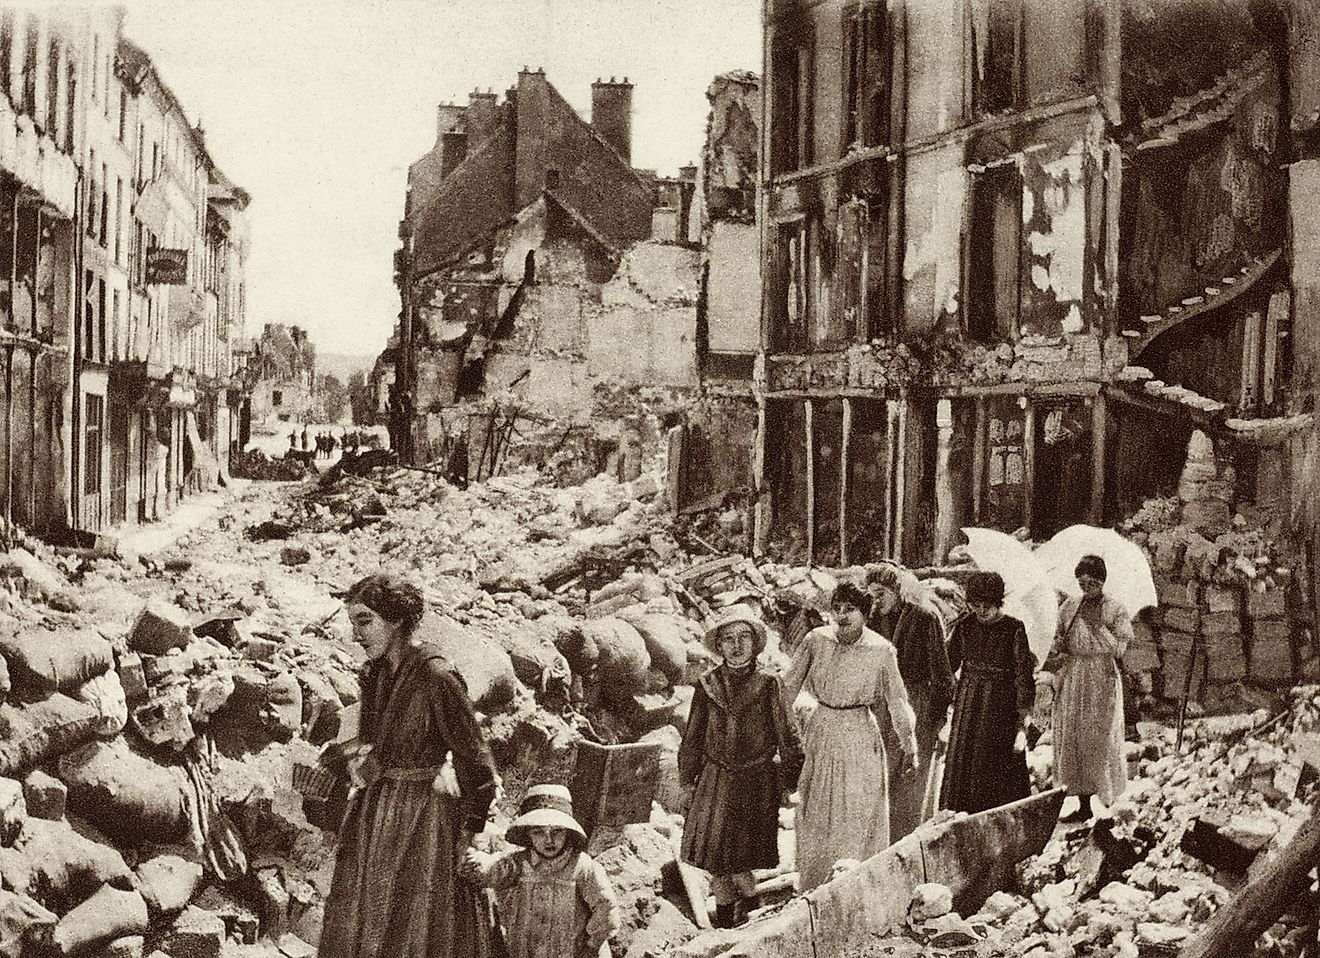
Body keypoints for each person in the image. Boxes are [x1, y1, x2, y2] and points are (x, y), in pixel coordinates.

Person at [319, 573, 499, 958]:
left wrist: (470, 832)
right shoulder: (376, 673)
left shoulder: (437, 676)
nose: (356, 634)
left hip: (425, 815)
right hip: (377, 808)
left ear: (397, 619)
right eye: (353, 623)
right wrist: (338, 755)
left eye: (364, 620)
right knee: (365, 912)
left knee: (418, 920)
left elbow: (476, 761)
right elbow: (373, 736)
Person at [782, 581, 917, 891]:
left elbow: (897, 700)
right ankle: (813, 884)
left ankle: (853, 886)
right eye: (837, 609)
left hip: (858, 734)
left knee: (855, 810)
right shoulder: (816, 640)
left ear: (865, 614)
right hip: (822, 729)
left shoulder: (881, 650)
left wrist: (909, 746)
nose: (842, 616)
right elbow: (788, 686)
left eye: (850, 609)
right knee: (816, 811)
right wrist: (774, 731)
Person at [679, 606, 803, 927]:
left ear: (755, 642)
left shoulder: (769, 683)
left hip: (755, 782)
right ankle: (724, 927)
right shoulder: (706, 684)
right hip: (715, 781)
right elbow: (692, 738)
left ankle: (752, 919)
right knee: (718, 863)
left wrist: (791, 781)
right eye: (729, 639)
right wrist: (687, 782)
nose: (737, 645)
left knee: (742, 863)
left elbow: (788, 734)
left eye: (744, 637)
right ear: (719, 645)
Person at [465, 784, 618, 958]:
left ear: (568, 832)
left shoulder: (582, 867)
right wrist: (473, 858)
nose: (549, 840)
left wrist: (591, 946)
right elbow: (490, 872)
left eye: (557, 831)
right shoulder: (519, 863)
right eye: (538, 832)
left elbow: (606, 909)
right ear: (528, 834)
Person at [865, 564, 955, 841]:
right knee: (880, 777)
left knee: (911, 780)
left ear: (896, 590)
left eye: (881, 594)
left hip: (916, 703)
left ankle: (908, 841)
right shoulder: (872, 620)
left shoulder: (925, 618)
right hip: (881, 706)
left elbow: (942, 675)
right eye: (871, 595)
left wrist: (938, 718)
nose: (876, 600)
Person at [1044, 554, 1134, 823]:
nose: (1087, 587)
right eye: (1082, 582)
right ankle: (1083, 804)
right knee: (1074, 737)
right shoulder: (1070, 607)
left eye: (1092, 582)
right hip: (1073, 676)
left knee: (1099, 737)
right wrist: (1057, 645)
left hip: (1101, 677)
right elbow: (1057, 637)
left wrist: (1098, 628)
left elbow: (1120, 648)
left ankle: (1107, 803)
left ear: (1102, 581)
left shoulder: (1114, 609)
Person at [940, 571, 1036, 815]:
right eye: (976, 605)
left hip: (999, 706)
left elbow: (1023, 675)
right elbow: (947, 663)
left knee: (994, 763)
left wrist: (1023, 717)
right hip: (968, 704)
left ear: (998, 603)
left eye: (988, 606)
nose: (981, 610)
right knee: (965, 762)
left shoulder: (1014, 628)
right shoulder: (965, 625)